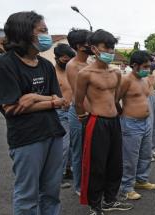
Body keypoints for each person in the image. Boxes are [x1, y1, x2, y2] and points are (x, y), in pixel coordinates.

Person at [0, 11, 79, 215]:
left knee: (51, 185)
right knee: (26, 191)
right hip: (26, 138)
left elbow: (62, 102)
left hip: (53, 132)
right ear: (25, 33)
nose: (45, 35)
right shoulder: (6, 64)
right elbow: (11, 107)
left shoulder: (45, 65)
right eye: (41, 30)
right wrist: (48, 100)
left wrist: (32, 98)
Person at [75, 29, 133, 215]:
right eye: (105, 47)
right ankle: (95, 206)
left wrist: (119, 113)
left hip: (114, 121)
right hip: (96, 122)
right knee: (96, 166)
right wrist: (83, 117)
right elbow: (78, 101)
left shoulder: (116, 72)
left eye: (112, 47)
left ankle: (110, 199)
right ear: (94, 49)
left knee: (115, 163)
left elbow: (114, 98)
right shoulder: (85, 74)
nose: (110, 51)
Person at [119, 50, 155, 200]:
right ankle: (126, 187)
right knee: (130, 158)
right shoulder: (126, 80)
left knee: (146, 154)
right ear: (134, 65)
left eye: (149, 66)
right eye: (145, 66)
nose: (148, 69)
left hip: (146, 122)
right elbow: (116, 99)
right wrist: (123, 117)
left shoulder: (145, 80)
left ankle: (141, 180)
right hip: (131, 123)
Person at [66, 28, 92, 196]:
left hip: (93, 113)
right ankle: (79, 186)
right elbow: (79, 96)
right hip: (79, 113)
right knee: (78, 152)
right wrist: (84, 115)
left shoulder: (89, 64)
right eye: (89, 42)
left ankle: (89, 182)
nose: (92, 45)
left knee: (90, 151)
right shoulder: (73, 65)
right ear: (78, 46)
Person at [53, 43, 76, 188]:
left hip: (73, 111)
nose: (67, 62)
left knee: (73, 146)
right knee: (63, 145)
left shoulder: (70, 71)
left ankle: (68, 170)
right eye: (65, 59)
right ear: (57, 58)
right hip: (59, 112)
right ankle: (57, 177)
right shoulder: (51, 72)